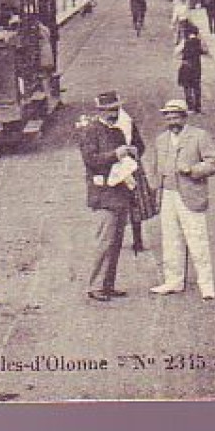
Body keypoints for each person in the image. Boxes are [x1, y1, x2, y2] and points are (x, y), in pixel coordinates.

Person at [149, 98, 215, 300]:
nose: (172, 119)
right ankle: (173, 281)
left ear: (184, 116)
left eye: (176, 115)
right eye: (168, 116)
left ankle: (206, 285)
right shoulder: (161, 140)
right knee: (170, 239)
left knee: (197, 239)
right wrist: (156, 192)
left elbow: (213, 163)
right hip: (168, 195)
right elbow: (156, 168)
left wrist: (193, 170)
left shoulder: (199, 136)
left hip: (190, 194)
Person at [78, 92, 144, 302]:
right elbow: (91, 160)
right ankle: (94, 286)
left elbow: (134, 150)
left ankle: (108, 285)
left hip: (121, 191)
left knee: (115, 242)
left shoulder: (116, 131)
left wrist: (133, 151)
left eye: (116, 109)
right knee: (105, 241)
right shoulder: (90, 131)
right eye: (109, 110)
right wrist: (116, 154)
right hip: (104, 193)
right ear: (100, 111)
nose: (114, 113)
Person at [176, 20, 207, 113]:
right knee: (196, 86)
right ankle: (197, 107)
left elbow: (176, 52)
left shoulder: (185, 42)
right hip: (196, 67)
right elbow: (205, 51)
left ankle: (190, 106)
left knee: (187, 86)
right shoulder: (198, 42)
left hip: (186, 66)